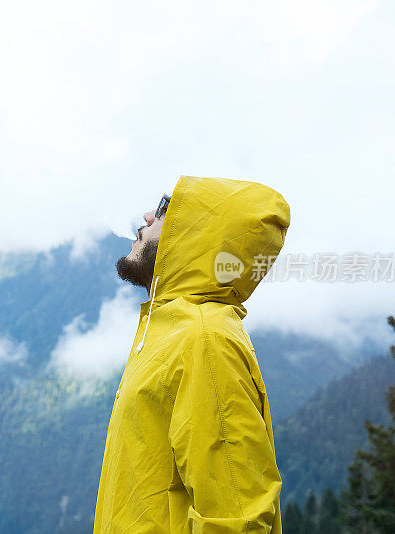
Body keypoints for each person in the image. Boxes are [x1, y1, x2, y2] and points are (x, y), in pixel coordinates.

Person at [94, 175, 290, 533]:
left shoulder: (204, 339)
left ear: (196, 233)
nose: (147, 216)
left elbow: (237, 519)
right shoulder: (172, 331)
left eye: (166, 208)